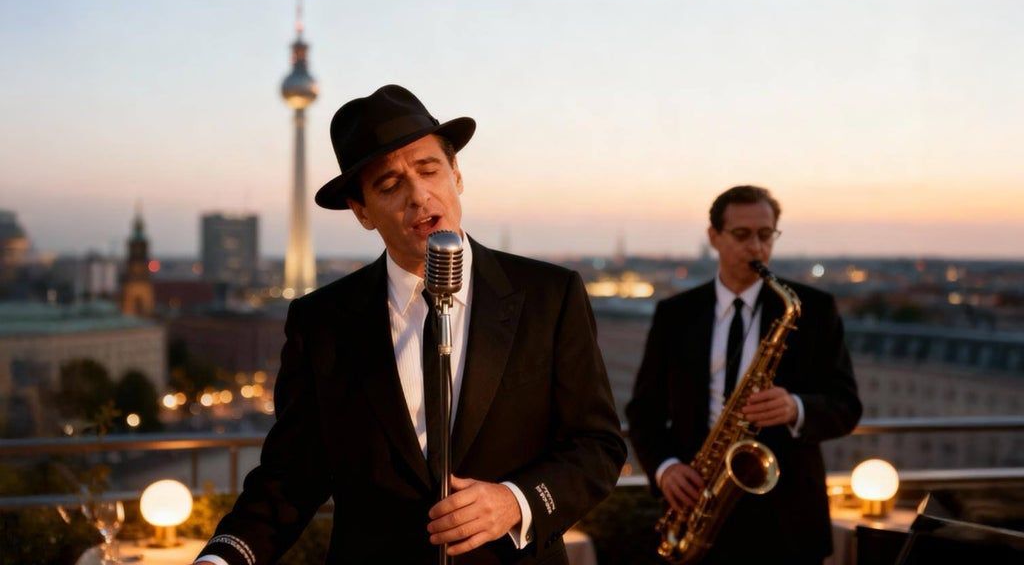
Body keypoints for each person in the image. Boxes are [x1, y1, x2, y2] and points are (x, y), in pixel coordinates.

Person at [195, 85, 626, 565]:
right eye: (389, 185)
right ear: (362, 211)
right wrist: (222, 557)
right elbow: (291, 476)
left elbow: (597, 446)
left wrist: (516, 502)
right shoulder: (322, 321)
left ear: (456, 174)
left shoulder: (550, 295)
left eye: (428, 169)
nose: (418, 195)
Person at [625, 185, 862, 565]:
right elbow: (644, 410)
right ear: (713, 236)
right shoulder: (675, 313)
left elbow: (847, 405)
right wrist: (665, 469)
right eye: (742, 234)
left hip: (789, 520)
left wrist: (796, 408)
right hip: (697, 504)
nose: (756, 247)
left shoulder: (813, 310)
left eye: (765, 235)